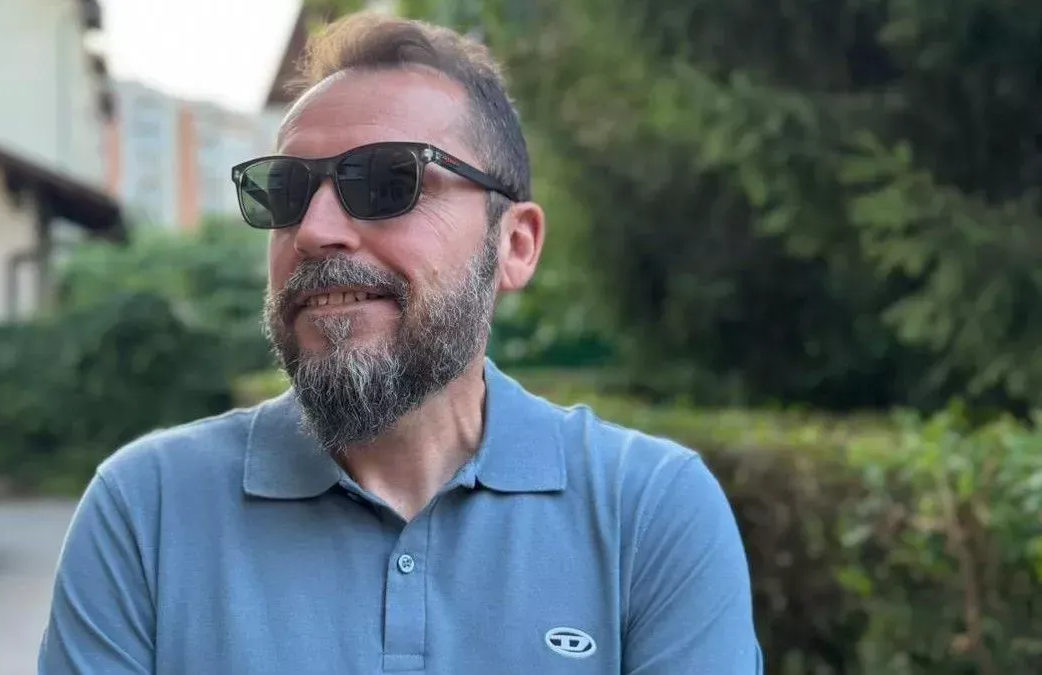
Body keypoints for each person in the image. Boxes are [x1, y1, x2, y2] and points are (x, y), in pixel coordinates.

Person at [37, 11, 762, 675]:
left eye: (389, 181)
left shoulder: (649, 512)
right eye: (285, 191)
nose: (314, 230)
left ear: (515, 245)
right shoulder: (148, 511)